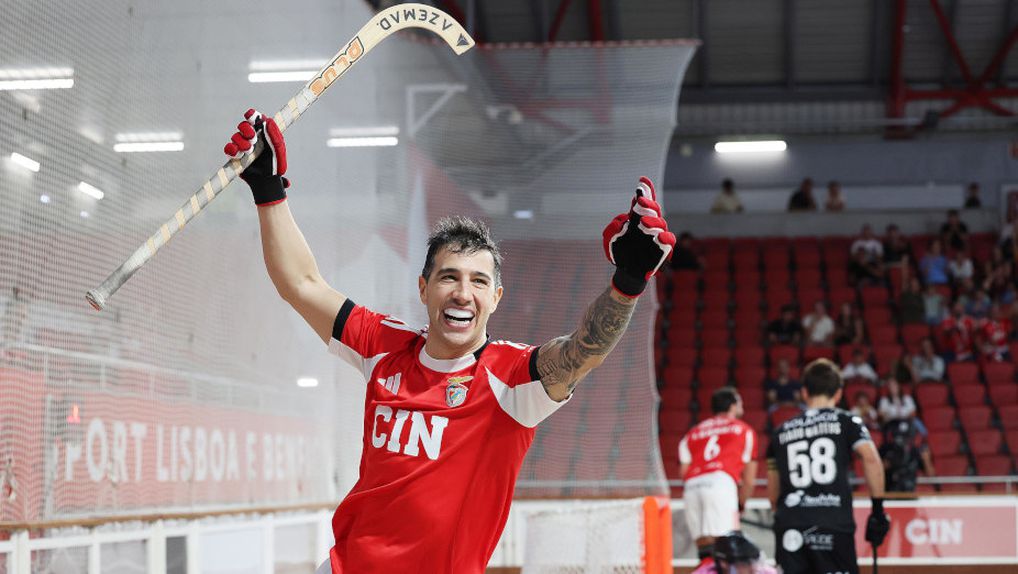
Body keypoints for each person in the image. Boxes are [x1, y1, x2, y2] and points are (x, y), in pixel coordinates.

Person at [222, 110, 677, 573]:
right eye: (449, 277)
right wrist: (268, 190)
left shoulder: (512, 378)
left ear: (496, 298)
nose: (463, 292)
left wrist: (628, 281)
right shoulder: (385, 344)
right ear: (423, 288)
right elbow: (302, 284)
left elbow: (583, 352)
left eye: (479, 281)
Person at [766, 359, 889, 574]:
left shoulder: (780, 432)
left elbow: (773, 490)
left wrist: (784, 514)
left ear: (804, 392)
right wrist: (877, 510)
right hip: (833, 523)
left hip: (791, 526)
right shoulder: (848, 422)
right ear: (839, 394)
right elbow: (871, 459)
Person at [679, 388, 758, 562]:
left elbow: (684, 471)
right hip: (721, 483)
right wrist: (740, 504)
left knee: (704, 547)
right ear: (733, 406)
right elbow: (749, 480)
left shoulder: (693, 432)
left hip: (692, 486)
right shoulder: (744, 430)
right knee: (727, 546)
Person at [691, 531, 778, 574]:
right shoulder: (705, 572)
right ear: (723, 564)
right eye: (745, 564)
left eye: (752, 563)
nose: (752, 568)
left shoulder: (763, 571)